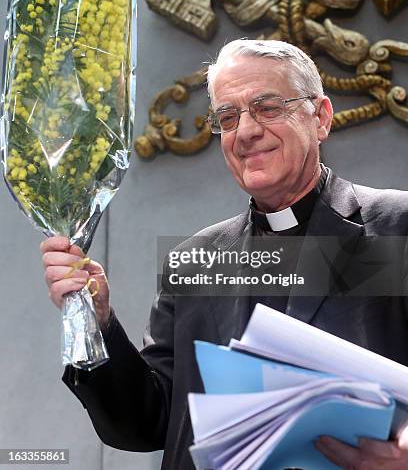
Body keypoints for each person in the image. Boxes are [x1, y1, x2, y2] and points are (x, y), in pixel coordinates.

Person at [41, 39, 408, 469]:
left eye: (268, 107)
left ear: (321, 117)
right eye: (227, 117)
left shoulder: (395, 227)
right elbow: (144, 424)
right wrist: (97, 321)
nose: (246, 131)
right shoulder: (197, 260)